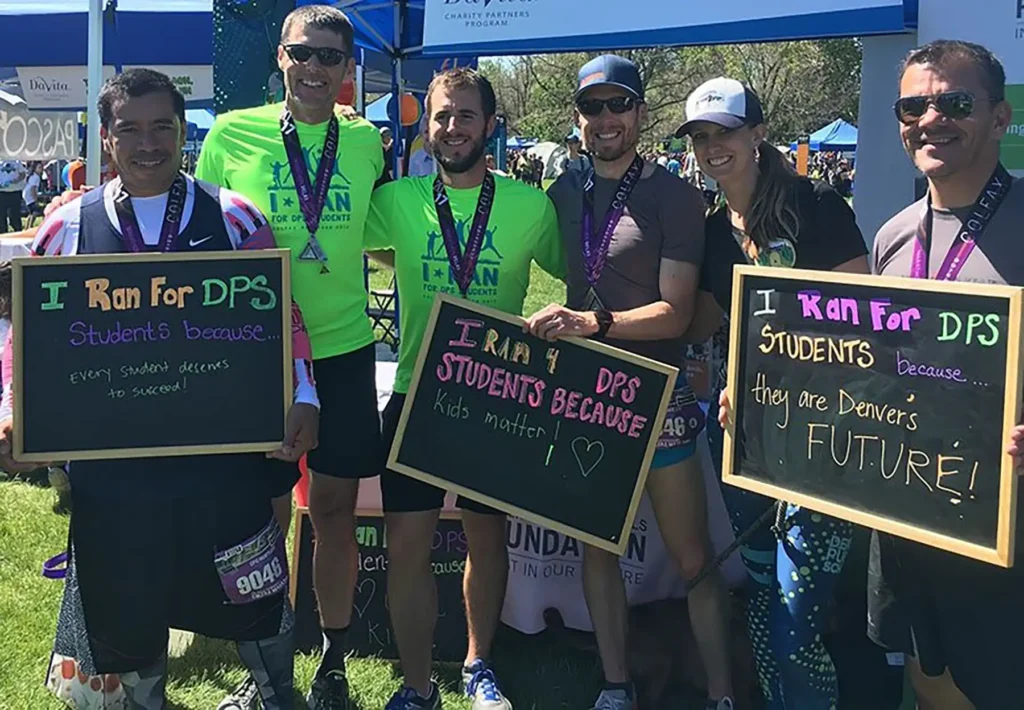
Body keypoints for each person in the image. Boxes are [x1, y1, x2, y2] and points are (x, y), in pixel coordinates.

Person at [0, 68, 320, 710]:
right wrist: (15, 412)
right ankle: (144, 699)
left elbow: (282, 316)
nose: (149, 144)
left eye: (163, 128)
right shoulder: (65, 228)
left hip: (223, 456)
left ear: (183, 133)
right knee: (126, 598)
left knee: (252, 585)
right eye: (130, 130)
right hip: (115, 466)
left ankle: (278, 694)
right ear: (107, 140)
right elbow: (25, 337)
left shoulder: (234, 217)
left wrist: (304, 397)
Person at [524, 55, 734, 710]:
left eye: (619, 106)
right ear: (578, 119)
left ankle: (724, 693)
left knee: (693, 559)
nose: (606, 119)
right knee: (597, 549)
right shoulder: (560, 194)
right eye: (593, 108)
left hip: (660, 395)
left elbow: (675, 309)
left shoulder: (674, 195)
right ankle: (615, 686)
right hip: (588, 397)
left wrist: (591, 321)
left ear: (642, 115)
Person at [195, 6, 386, 708]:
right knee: (266, 515)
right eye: (304, 54)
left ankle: (333, 659)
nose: (315, 69)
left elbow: (385, 227)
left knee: (335, 511)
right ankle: (265, 663)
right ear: (281, 57)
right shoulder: (230, 132)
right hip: (257, 351)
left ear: (346, 70)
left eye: (331, 58)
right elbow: (206, 235)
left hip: (343, 349)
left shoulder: (367, 142)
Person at [364, 67, 566, 710]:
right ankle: (418, 684)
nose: (453, 129)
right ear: (428, 125)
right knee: (408, 546)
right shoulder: (395, 202)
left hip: (493, 395)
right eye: (442, 116)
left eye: (466, 117)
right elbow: (331, 245)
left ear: (491, 126)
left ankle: (480, 666)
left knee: (486, 538)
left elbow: (587, 271)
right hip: (418, 394)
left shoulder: (531, 207)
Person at [677, 76, 869, 710]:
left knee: (796, 615)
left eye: (725, 132)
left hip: (823, 436)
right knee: (761, 589)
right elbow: (704, 320)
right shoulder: (711, 229)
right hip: (740, 433)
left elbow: (864, 324)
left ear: (758, 134)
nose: (713, 147)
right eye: (700, 137)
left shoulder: (819, 208)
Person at [865, 39, 1024, 710]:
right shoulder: (892, 236)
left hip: (1004, 529)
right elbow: (868, 369)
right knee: (929, 675)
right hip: (904, 512)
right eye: (912, 105)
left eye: (955, 102)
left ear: (1000, 117)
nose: (930, 120)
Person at [0, 160, 26, 233]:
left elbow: (23, 174)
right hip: (2, 192)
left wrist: (16, 180)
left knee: (15, 216)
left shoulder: (16, 161)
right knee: (1, 216)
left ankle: (18, 233)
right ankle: (2, 235)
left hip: (15, 192)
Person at [22, 162, 44, 226]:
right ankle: (30, 226)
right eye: (39, 168)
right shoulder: (36, 177)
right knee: (35, 212)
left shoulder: (34, 176)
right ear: (35, 169)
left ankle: (28, 226)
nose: (41, 169)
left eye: (42, 167)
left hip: (26, 195)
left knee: (31, 212)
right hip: (29, 196)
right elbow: (33, 189)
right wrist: (35, 199)